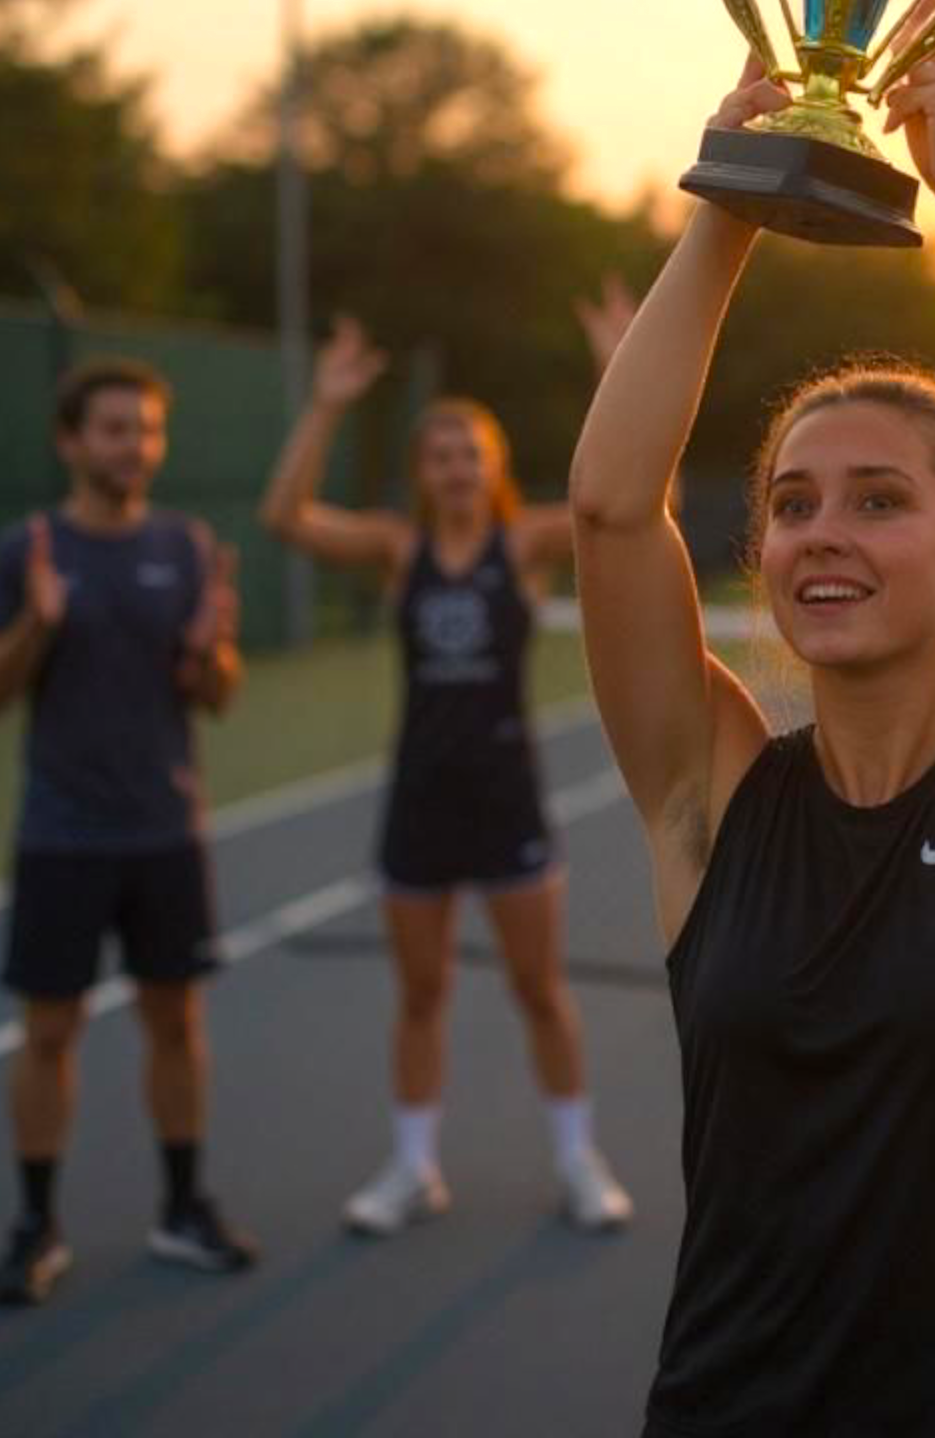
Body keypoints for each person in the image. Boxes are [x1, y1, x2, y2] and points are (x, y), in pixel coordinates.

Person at [569, 0, 935, 1437]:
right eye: (792, 503)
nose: (822, 532)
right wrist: (728, 203)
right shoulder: (711, 799)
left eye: (879, 501)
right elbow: (605, 507)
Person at [259, 301, 637, 1237]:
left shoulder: (526, 543)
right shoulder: (400, 551)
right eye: (440, 457)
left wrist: (619, 367)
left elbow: (636, 496)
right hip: (419, 802)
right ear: (423, 476)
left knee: (539, 989)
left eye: (470, 453)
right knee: (421, 994)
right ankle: (414, 1167)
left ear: (493, 464)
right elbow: (284, 517)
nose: (457, 469)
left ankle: (576, 1159)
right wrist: (326, 404)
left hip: (506, 797)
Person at [0, 357, 255, 1307]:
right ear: (71, 441)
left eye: (148, 430)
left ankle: (181, 1209)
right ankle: (34, 1226)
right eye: (115, 429)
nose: (135, 446)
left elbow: (215, 696)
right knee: (50, 1029)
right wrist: (35, 627)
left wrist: (209, 649)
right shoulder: (28, 550)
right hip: (61, 837)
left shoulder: (186, 543)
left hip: (165, 832)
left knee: (178, 1019)